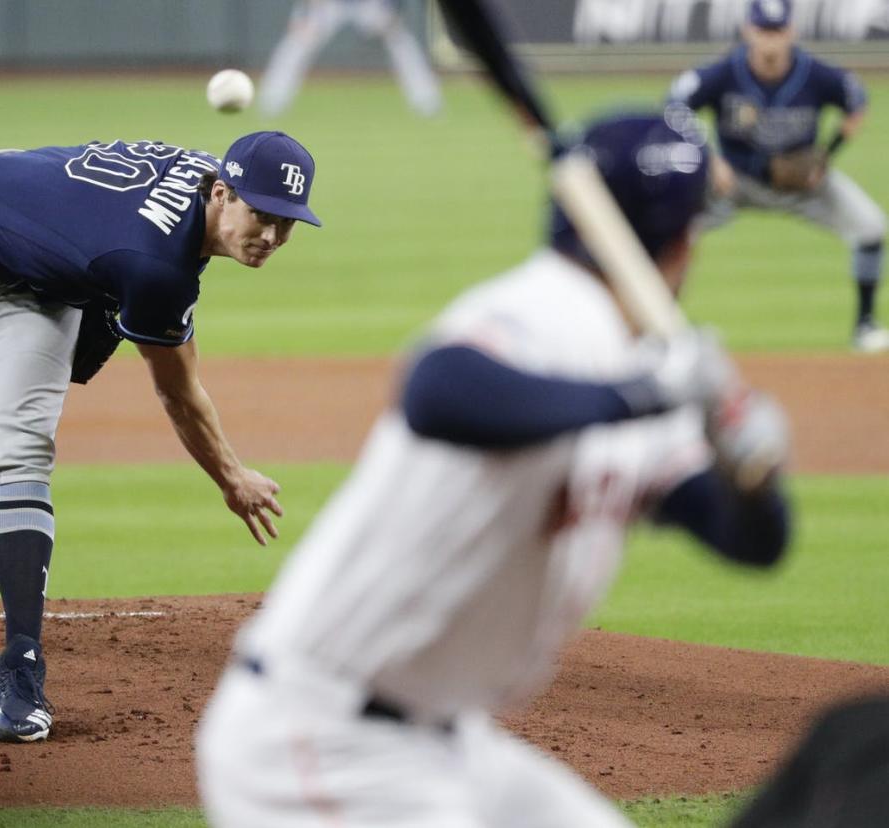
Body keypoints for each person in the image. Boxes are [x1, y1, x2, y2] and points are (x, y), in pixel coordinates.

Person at [196, 111, 792, 827]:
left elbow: (753, 543)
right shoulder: (544, 311)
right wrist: (645, 394)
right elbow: (438, 389)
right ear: (681, 239)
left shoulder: (648, 373)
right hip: (317, 740)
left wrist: (751, 469)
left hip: (451, 742)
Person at [0, 131, 321, 743]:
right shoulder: (155, 268)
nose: (273, 238)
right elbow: (177, 391)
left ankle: (21, 672)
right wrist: (232, 476)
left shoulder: (200, 184)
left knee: (25, 450)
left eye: (288, 224)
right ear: (222, 192)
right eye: (262, 215)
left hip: (40, 288)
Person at [668, 0, 889, 352]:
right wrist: (707, 158)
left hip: (802, 185)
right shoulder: (726, 72)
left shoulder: (815, 73)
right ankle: (662, 329)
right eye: (763, 31)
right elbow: (675, 104)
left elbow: (857, 100)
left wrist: (827, 155)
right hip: (734, 181)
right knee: (670, 231)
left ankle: (865, 326)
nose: (770, 40)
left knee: (872, 227)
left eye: (778, 31)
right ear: (747, 31)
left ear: (792, 32)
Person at [259, 0, 443, 118]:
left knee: (401, 42)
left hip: (369, 5)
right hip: (328, 5)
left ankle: (426, 102)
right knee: (296, 43)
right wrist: (303, 12)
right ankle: (272, 101)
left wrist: (391, 10)